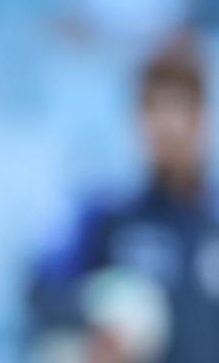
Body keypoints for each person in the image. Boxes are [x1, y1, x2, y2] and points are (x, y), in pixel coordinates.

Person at [28, 35, 219, 363]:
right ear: (138, 121)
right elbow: (40, 293)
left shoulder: (211, 224)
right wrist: (95, 318)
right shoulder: (110, 219)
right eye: (153, 108)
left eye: (180, 108)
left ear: (201, 116)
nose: (167, 125)